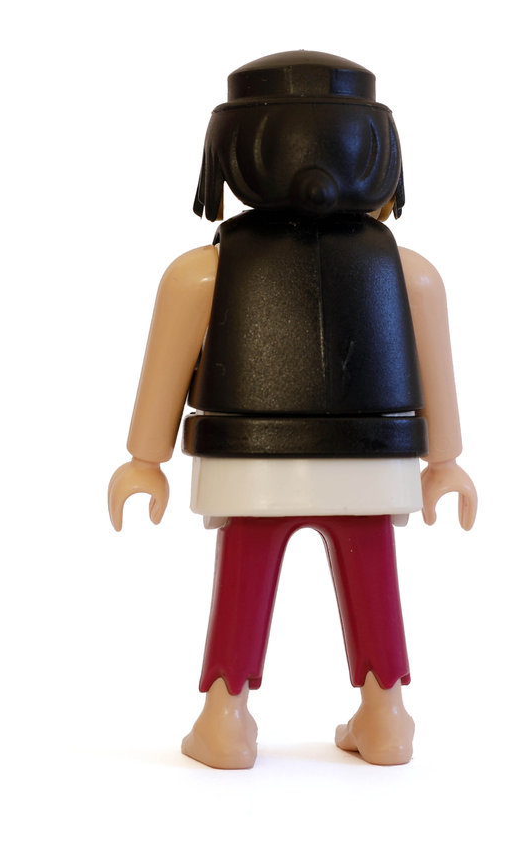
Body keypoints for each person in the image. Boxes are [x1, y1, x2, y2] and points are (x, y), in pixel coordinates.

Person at [108, 51, 476, 768]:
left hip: (252, 460)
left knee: (244, 572)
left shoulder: (203, 271)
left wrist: (144, 459)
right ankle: (386, 715)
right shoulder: (409, 272)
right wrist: (446, 461)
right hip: (371, 461)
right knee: (372, 572)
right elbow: (437, 371)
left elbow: (165, 369)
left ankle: (223, 718)